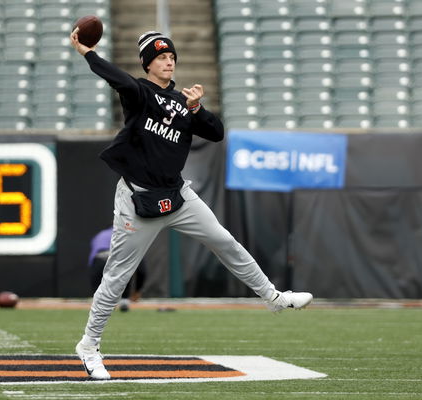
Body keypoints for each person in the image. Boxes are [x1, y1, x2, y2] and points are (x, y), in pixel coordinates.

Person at [70, 29, 313, 380]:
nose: (169, 60)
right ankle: (89, 346)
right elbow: (117, 77)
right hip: (139, 199)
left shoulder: (185, 103)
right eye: (161, 56)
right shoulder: (140, 92)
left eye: (171, 56)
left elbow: (216, 131)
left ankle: (272, 297)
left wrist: (197, 108)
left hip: (178, 196)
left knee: (225, 241)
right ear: (148, 63)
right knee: (117, 276)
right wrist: (88, 53)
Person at [88, 226, 145, 312]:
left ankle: (102, 302)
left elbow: (93, 257)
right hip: (119, 256)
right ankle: (124, 301)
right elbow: (142, 270)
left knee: (100, 281)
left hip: (100, 258)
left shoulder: (101, 234)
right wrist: (137, 291)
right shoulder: (129, 233)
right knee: (125, 272)